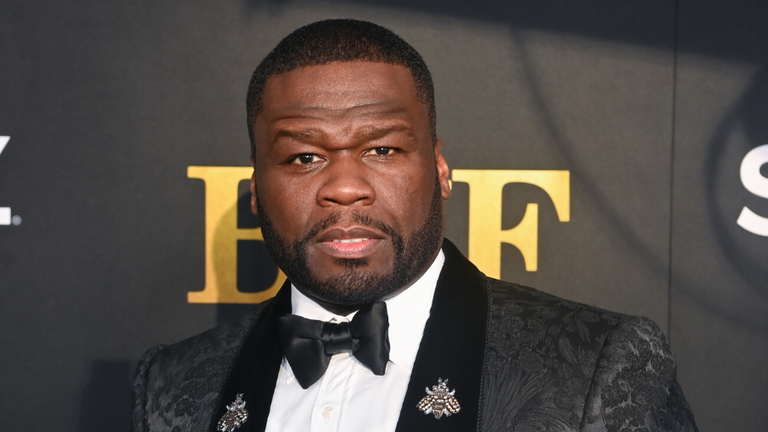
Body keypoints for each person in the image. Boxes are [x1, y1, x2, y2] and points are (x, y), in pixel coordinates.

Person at [132, 19, 698, 432]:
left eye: (381, 149)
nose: (345, 187)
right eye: (305, 157)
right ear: (256, 189)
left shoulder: (598, 365)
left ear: (440, 170)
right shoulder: (173, 383)